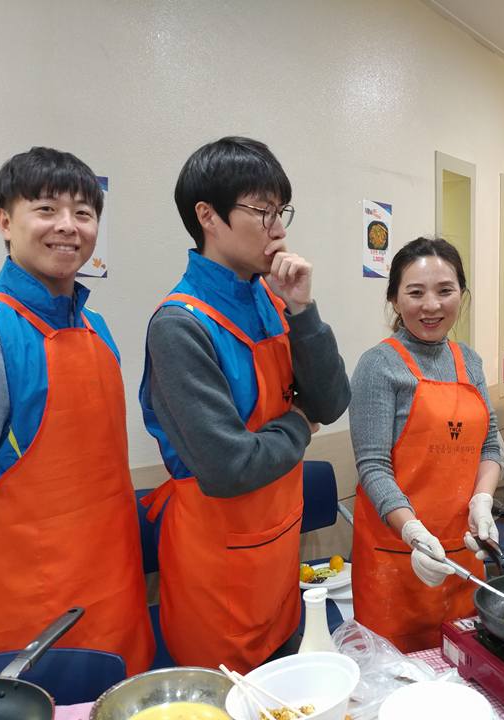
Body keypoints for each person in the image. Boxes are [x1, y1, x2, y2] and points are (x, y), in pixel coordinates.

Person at [0, 147, 154, 674]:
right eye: (46, 209)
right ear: (5, 221)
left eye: (84, 213)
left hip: (117, 598)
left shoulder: (97, 329)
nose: (68, 226)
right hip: (29, 624)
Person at [139, 136, 350, 672]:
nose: (279, 228)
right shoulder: (180, 326)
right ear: (207, 216)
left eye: (281, 211)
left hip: (279, 561)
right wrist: (302, 421)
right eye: (262, 211)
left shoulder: (274, 296)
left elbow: (333, 399)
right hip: (217, 573)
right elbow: (229, 466)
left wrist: (303, 311)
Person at [349, 237, 501, 652]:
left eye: (445, 291)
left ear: (461, 295)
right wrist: (413, 532)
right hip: (397, 560)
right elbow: (373, 466)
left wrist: (482, 502)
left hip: (464, 556)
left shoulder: (469, 360)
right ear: (395, 300)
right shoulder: (378, 365)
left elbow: (490, 445)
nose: (431, 305)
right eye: (415, 293)